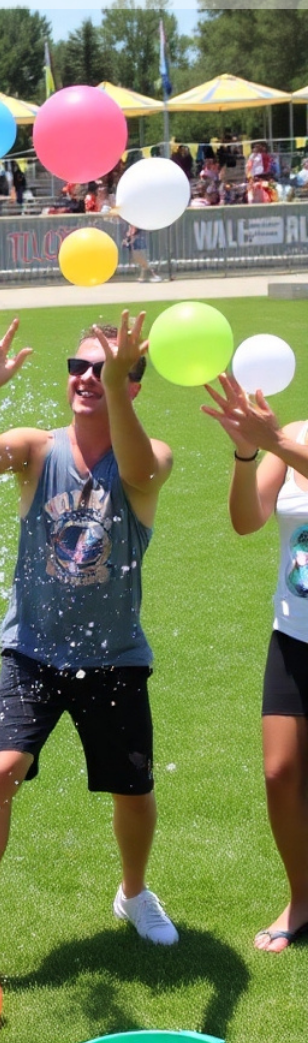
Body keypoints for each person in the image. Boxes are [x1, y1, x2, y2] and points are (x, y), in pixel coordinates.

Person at [0, 311, 178, 945]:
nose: (85, 378)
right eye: (78, 367)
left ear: (132, 384)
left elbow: (136, 470)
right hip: (34, 649)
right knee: (1, 770)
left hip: (115, 655)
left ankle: (134, 894)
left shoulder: (152, 457)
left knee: (131, 789)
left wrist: (119, 376)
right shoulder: (36, 449)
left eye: (102, 370)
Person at [202, 375, 308, 951]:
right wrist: (248, 451)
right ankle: (301, 897)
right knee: (280, 774)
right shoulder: (289, 435)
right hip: (294, 635)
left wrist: (273, 441)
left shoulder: (286, 440)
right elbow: (247, 520)